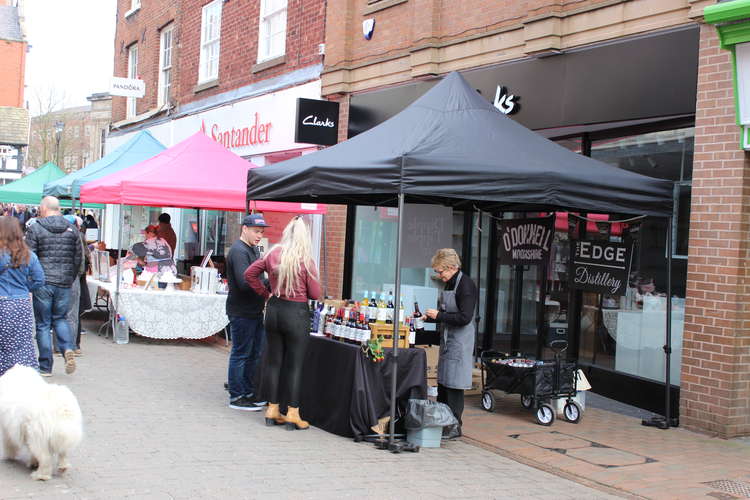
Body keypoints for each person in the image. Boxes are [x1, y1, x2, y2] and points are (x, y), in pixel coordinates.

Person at [246, 216, 322, 430]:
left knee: (274, 361)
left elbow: (249, 274)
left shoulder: (273, 253)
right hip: (295, 312)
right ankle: (293, 413)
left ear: (286, 233)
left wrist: (266, 292)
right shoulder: (305, 260)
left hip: (274, 310)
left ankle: (272, 409)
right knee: (294, 365)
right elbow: (315, 294)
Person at [423, 248, 478, 440]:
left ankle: (455, 426)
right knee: (444, 383)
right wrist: (429, 318)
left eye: (441, 271)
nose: (440, 275)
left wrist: (439, 315)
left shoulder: (466, 286)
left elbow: (464, 317)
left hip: (460, 342)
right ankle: (443, 422)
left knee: (454, 385)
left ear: (452, 267)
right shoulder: (449, 285)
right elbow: (445, 313)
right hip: (448, 339)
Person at [24, 196, 82, 376]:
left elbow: (29, 257)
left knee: (42, 324)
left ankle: (45, 366)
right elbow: (78, 258)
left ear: (43, 207)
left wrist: (31, 282)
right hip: (64, 281)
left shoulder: (36, 228)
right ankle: (67, 348)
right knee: (61, 318)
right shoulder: (72, 229)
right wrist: (69, 277)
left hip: (43, 282)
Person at [224, 214, 270, 411]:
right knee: (241, 353)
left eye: (261, 232)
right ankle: (237, 396)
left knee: (253, 353)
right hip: (242, 311)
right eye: (256, 231)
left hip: (253, 310)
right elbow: (245, 282)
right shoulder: (239, 251)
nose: (259, 235)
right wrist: (269, 283)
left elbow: (256, 277)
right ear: (245, 229)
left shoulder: (251, 250)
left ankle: (248, 392)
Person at [0, 216, 45, 377]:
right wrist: (26, 288)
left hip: (1, 303)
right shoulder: (29, 255)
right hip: (21, 304)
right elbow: (40, 279)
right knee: (22, 344)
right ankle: (22, 379)